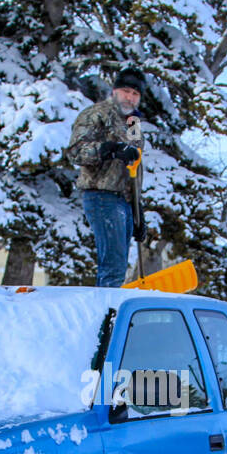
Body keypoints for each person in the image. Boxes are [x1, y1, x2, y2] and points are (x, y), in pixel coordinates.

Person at [65, 67, 147, 288]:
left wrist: (138, 210)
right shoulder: (97, 114)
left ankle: (111, 317)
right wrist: (110, 149)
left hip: (125, 201)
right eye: (126, 91)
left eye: (135, 94)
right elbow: (75, 152)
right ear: (115, 91)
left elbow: (134, 168)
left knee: (119, 267)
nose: (130, 97)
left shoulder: (133, 123)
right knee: (113, 268)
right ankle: (106, 320)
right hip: (102, 196)